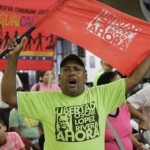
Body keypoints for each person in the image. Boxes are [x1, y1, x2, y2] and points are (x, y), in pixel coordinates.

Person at [1, 37, 150, 150]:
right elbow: (9, 97)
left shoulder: (101, 95)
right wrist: (13, 57)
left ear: (85, 77)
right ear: (59, 78)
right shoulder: (46, 99)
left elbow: (135, 78)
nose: (72, 72)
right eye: (66, 69)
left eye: (77, 69)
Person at [97, 71, 148, 150]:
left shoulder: (123, 107)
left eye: (122, 83)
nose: (122, 87)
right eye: (117, 84)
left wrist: (138, 144)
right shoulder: (97, 111)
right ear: (105, 87)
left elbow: (126, 133)